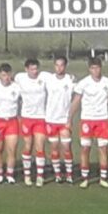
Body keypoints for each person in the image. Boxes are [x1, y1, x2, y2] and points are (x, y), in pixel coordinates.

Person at [71, 57, 108, 189]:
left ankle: (103, 178)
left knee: (103, 148)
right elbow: (76, 101)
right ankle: (85, 178)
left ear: (101, 68)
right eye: (93, 68)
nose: (95, 71)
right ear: (89, 69)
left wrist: (102, 105)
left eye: (97, 68)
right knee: (85, 148)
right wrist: (69, 118)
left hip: (102, 120)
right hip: (87, 119)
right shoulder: (83, 83)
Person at [14, 58, 49, 187]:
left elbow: (58, 79)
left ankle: (40, 176)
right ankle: (27, 175)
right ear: (26, 69)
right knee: (28, 146)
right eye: (32, 69)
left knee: (40, 146)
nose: (35, 71)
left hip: (40, 117)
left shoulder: (44, 77)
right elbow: (8, 81)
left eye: (36, 69)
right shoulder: (20, 78)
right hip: (26, 118)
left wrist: (71, 77)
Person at [44, 56, 76, 184]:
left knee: (67, 148)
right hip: (51, 120)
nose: (59, 68)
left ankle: (69, 174)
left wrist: (70, 117)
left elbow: (79, 94)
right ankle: (57, 174)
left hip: (64, 120)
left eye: (61, 65)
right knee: (54, 148)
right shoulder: (48, 79)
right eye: (57, 65)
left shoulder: (70, 80)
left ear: (65, 66)